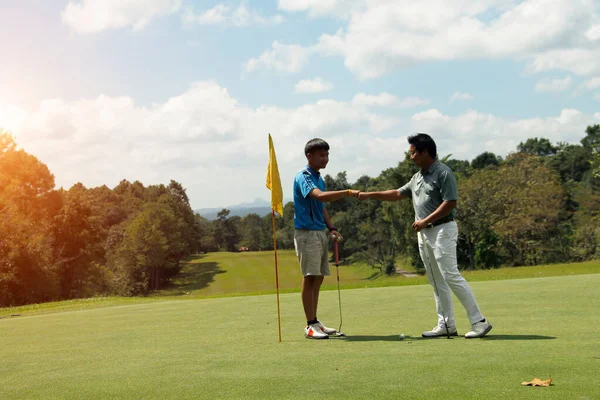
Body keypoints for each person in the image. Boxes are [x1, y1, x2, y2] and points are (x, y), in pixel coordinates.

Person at [358, 133, 492, 338]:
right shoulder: (418, 176)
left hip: (442, 230)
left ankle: (479, 322)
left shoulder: (443, 173)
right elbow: (397, 193)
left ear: (425, 152)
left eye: (413, 153)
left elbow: (450, 203)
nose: (410, 157)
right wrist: (371, 195)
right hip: (425, 233)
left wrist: (425, 221)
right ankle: (446, 325)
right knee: (436, 280)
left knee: (450, 275)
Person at [294, 138, 359, 339]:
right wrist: (347, 192)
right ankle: (309, 325)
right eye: (321, 155)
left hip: (320, 232)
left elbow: (322, 208)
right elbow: (320, 196)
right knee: (310, 276)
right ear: (309, 156)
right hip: (306, 234)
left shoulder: (318, 177)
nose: (325, 158)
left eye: (327, 155)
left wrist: (332, 228)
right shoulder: (303, 177)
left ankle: (315, 321)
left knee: (319, 277)